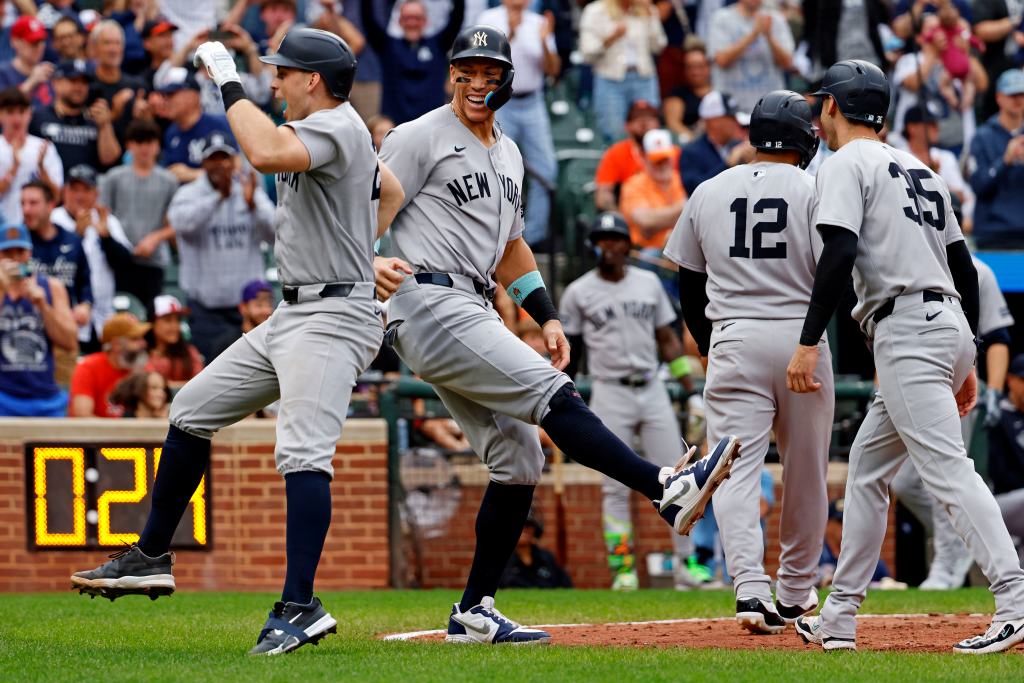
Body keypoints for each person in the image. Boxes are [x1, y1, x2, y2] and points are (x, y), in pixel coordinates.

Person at [376, 24, 738, 645]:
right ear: (450, 75)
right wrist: (366, 262)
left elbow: (513, 248)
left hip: (475, 301)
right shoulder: (417, 136)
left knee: (520, 459)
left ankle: (473, 611)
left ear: (508, 82)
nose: (475, 83)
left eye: (489, 73)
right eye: (465, 71)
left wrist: (546, 314)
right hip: (426, 295)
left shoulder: (511, 153)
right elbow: (365, 206)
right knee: (555, 395)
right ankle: (665, 487)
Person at [72, 27, 404, 657]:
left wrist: (226, 74)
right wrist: (367, 250)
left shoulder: (336, 121)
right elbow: (390, 190)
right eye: (267, 71)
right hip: (296, 309)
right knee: (192, 409)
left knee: (302, 453)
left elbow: (263, 152)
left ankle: (300, 604)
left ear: (312, 80)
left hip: (333, 316)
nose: (273, 81)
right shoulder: (336, 131)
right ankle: (151, 554)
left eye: (282, 72)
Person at [786, 59, 1024, 655]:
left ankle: (1016, 599)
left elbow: (838, 254)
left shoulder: (845, 163)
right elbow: (964, 269)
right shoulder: (922, 166)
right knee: (867, 472)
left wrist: (810, 339)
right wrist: (966, 354)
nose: (819, 113)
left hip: (909, 329)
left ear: (834, 108)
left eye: (822, 104)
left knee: (949, 472)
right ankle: (838, 617)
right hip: (940, 321)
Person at [664, 90, 832, 634]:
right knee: (805, 470)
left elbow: (687, 277)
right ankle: (795, 589)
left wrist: (707, 342)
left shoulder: (710, 188)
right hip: (800, 336)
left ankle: (749, 591)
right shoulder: (815, 186)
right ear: (804, 138)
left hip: (733, 334)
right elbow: (838, 270)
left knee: (732, 471)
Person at [560, 212, 697, 591]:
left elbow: (668, 340)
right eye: (601, 239)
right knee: (614, 485)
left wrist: (690, 388)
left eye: (615, 238)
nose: (608, 245)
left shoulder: (649, 282)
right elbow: (570, 348)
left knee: (679, 476)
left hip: (651, 385)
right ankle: (622, 568)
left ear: (627, 244)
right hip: (609, 388)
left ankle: (687, 564)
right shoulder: (578, 291)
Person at [890, 252, 1015, 590]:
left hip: (957, 383)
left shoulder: (977, 269)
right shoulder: (908, 259)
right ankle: (964, 541)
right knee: (902, 481)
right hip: (907, 376)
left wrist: (995, 392)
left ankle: (947, 565)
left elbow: (997, 336)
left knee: (945, 474)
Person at [167, 131, 275, 360]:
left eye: (225, 158)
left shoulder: (249, 191)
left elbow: (277, 233)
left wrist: (253, 204)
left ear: (234, 161)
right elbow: (181, 224)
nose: (220, 165)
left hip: (246, 310)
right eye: (214, 159)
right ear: (204, 163)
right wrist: (218, 198)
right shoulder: (189, 193)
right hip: (206, 310)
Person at [478, 0, 560, 247]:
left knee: (546, 169)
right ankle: (497, 235)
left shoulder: (539, 22)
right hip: (501, 100)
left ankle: (532, 239)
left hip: (533, 101)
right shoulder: (489, 19)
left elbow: (553, 70)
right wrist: (511, 33)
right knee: (496, 167)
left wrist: (545, 41)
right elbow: (485, 64)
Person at [50, 164, 134, 353]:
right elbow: (50, 264)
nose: (79, 196)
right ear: (65, 192)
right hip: (66, 316)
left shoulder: (107, 221)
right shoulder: (54, 220)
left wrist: (107, 238)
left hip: (102, 318)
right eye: (74, 189)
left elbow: (126, 264)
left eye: (86, 189)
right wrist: (76, 237)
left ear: (96, 193)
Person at [0, 222, 76, 417]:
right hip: (4, 397)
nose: (15, 259)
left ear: (30, 253)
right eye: (8, 253)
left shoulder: (52, 287)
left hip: (45, 397)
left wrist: (43, 306)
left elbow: (69, 342)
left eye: (20, 252)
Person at [361, 0, 465, 125]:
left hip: (431, 128)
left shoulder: (438, 44)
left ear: (425, 21)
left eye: (417, 18)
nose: (412, 22)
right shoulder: (387, 46)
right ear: (399, 21)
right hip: (396, 129)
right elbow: (368, 18)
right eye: (407, 18)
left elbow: (457, 17)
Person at [579, 0, 667, 143]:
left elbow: (659, 46)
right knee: (614, 134)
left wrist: (652, 18)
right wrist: (611, 38)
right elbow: (587, 54)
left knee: (650, 132)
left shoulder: (646, 9)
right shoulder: (595, 11)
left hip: (643, 78)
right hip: (610, 80)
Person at [99, 118, 179, 268]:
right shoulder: (113, 177)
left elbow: (177, 222)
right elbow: (103, 216)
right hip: (119, 258)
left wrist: (155, 238)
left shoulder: (169, 181)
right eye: (139, 142)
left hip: (156, 258)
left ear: (157, 145)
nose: (144, 148)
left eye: (149, 142)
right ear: (129, 145)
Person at [22, 180, 92, 337]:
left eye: (33, 203)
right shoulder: (17, 245)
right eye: (23, 203)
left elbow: (85, 281)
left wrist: (85, 306)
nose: (26, 210)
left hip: (64, 328)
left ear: (50, 205)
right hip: (29, 328)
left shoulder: (72, 240)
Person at [30, 60, 122, 173]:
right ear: (55, 83)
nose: (79, 88)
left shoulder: (96, 118)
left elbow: (109, 160)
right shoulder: (38, 117)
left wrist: (105, 126)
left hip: (86, 187)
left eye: (84, 82)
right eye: (73, 81)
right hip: (47, 185)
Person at [968, 69, 1024, 249]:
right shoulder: (982, 137)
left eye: (1021, 94)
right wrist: (1005, 161)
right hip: (993, 233)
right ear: (999, 97)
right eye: (1012, 94)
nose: (1018, 99)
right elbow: (978, 185)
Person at [706, 0, 793, 114]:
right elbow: (721, 60)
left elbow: (788, 63)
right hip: (731, 110)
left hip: (770, 109)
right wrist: (753, 35)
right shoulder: (721, 17)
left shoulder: (775, 19)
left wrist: (769, 36)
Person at [69, 312, 151, 418]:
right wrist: (120, 432)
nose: (143, 343)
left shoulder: (143, 368)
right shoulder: (88, 367)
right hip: (96, 434)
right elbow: (82, 415)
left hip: (133, 433)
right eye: (135, 339)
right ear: (116, 344)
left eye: (142, 338)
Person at [158, 69, 234, 183]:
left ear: (192, 96)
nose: (165, 101)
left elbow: (237, 170)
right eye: (164, 96)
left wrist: (193, 175)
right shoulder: (171, 133)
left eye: (171, 95)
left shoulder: (218, 124)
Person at [0, 87, 63, 224]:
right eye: (10, 112)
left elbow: (56, 197)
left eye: (22, 112)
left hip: (37, 227)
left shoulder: (44, 148)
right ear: (1, 114)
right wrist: (14, 168)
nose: (17, 119)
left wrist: (42, 169)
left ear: (30, 114)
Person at [619, 128, 686, 251]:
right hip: (647, 252)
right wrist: (683, 209)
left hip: (682, 249)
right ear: (644, 158)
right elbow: (646, 222)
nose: (662, 165)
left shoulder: (682, 180)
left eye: (665, 158)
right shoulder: (634, 184)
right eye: (656, 160)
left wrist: (657, 223)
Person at [594, 99, 662, 212]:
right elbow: (602, 196)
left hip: (669, 216)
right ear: (627, 126)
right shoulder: (616, 152)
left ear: (658, 123)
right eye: (637, 118)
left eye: (650, 118)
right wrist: (620, 220)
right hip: (631, 215)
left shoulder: (671, 151)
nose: (644, 123)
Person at [678, 90, 747, 196]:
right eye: (731, 118)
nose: (737, 122)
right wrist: (728, 164)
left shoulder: (739, 145)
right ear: (714, 121)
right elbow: (693, 190)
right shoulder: (691, 152)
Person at [498, 512, 573, 589]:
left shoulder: (547, 558)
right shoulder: (500, 559)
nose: (522, 530)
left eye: (527, 526)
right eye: (517, 524)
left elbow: (565, 586)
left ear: (535, 530)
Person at [145, 294, 204, 389]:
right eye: (168, 320)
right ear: (152, 323)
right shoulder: (142, 353)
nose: (175, 326)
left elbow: (201, 386)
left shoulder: (190, 352)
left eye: (178, 320)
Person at [208, 279, 276, 361]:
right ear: (243, 308)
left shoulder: (275, 342)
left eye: (269, 304)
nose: (266, 310)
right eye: (259, 305)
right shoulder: (226, 345)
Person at [0, 16, 54, 109]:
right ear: (15, 42)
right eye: (33, 42)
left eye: (42, 41)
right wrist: (31, 83)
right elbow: (3, 107)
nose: (39, 47)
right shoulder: (3, 73)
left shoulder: (50, 72)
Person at [663, 43, 712, 143]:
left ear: (708, 67)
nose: (695, 72)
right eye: (690, 67)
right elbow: (673, 123)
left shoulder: (720, 91)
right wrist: (697, 144)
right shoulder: (676, 94)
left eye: (700, 66)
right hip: (690, 144)